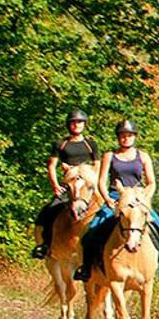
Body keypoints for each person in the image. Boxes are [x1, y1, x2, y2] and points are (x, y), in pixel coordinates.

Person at [73, 120, 159, 281]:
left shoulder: (143, 156)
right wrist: (107, 199)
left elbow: (151, 183)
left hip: (138, 198)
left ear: (134, 137)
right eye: (122, 135)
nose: (126, 138)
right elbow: (101, 181)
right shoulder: (109, 156)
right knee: (91, 230)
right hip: (115, 197)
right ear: (118, 137)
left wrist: (145, 197)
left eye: (129, 135)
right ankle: (86, 267)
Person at [31, 109, 100, 258]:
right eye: (73, 122)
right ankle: (45, 245)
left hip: (87, 186)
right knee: (49, 211)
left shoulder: (91, 144)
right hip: (69, 185)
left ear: (84, 124)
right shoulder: (61, 144)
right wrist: (56, 186)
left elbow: (97, 166)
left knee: (106, 211)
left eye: (79, 122)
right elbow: (52, 166)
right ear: (69, 125)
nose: (76, 125)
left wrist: (94, 183)